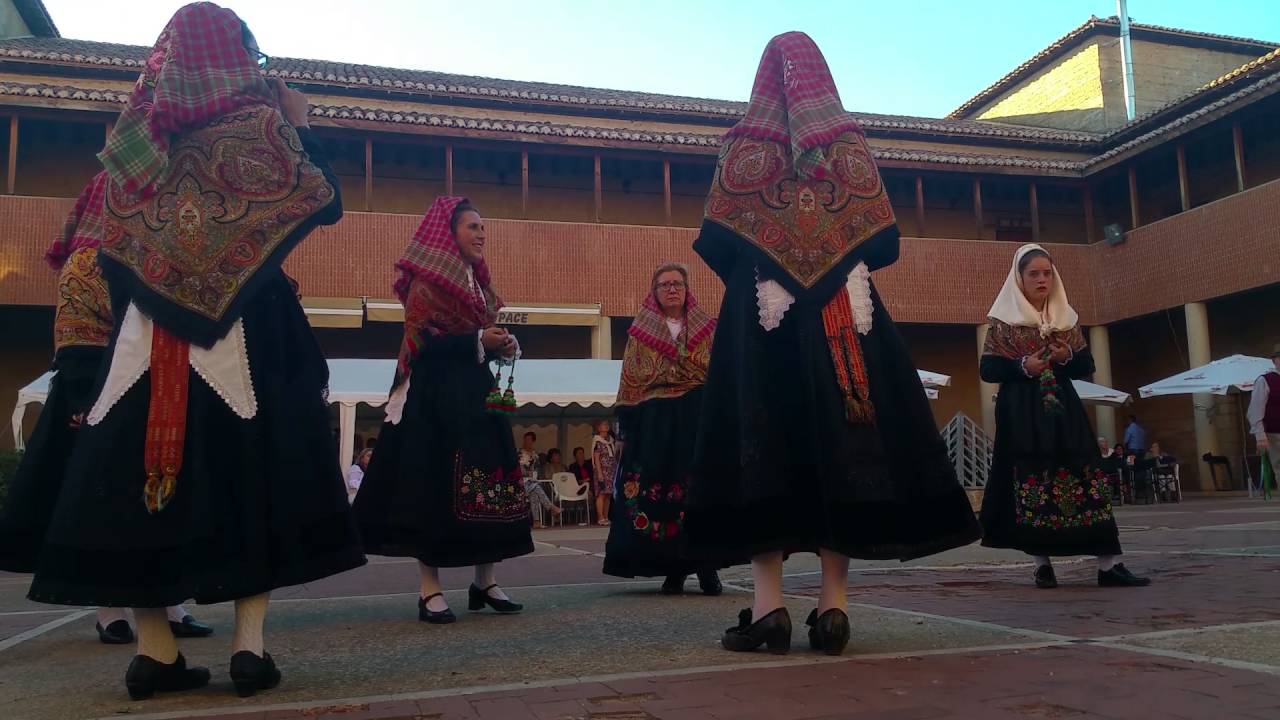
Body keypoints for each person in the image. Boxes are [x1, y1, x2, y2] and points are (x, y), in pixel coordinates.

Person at [22, 3, 365, 700]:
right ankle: (249, 647)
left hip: (144, 336)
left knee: (127, 478)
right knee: (258, 473)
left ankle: (154, 651)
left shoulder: (134, 141)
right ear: (234, 55)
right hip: (250, 325)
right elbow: (323, 200)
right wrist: (299, 120)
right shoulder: (259, 124)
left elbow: (105, 248)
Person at [686, 33, 981, 657]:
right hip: (845, 319)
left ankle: (768, 608)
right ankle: (834, 606)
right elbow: (884, 242)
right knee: (846, 445)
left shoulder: (742, 150)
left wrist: (776, 261)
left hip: (762, 323)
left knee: (763, 446)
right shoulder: (852, 151)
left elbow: (716, 242)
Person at [0, 172, 213, 648]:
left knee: (154, 499)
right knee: (105, 504)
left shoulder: (147, 256)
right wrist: (85, 401)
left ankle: (168, 604)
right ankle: (109, 610)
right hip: (95, 390)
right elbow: (77, 337)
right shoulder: (85, 261)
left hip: (152, 387)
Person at [353, 196, 533, 626]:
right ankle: (429, 589)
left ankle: (485, 581)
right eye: (472, 226)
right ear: (449, 233)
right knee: (432, 487)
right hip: (434, 397)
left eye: (483, 227)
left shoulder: (479, 286)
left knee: (489, 480)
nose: (481, 234)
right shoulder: (427, 283)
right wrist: (477, 341)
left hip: (476, 395)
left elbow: (478, 339)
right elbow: (423, 343)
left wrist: (501, 345)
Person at [978, 244, 1149, 590]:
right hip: (1022, 412)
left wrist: (1066, 355)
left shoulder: (1066, 319)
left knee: (1085, 472)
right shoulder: (1002, 323)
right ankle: (1042, 566)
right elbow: (988, 368)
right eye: (1034, 274)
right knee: (1032, 478)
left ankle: (1109, 565)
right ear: (1019, 278)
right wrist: (1022, 366)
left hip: (1064, 411)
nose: (1042, 279)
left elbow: (1086, 364)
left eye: (1047, 273)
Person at [604, 263, 722, 596]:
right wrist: (624, 434)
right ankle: (673, 569)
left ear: (687, 289)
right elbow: (630, 384)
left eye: (677, 284)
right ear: (654, 292)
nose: (672, 289)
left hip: (696, 417)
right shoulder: (640, 333)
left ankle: (707, 566)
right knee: (661, 491)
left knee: (699, 491)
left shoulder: (708, 328)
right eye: (664, 284)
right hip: (654, 423)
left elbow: (720, 375)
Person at [1247, 344, 1280, 486]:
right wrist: (1260, 436)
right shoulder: (1265, 380)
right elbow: (1255, 410)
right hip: (1276, 434)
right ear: (1274, 360)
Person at [519, 432, 561, 529]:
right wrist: (526, 473)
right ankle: (551, 507)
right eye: (526, 439)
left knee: (534, 492)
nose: (527, 441)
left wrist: (534, 474)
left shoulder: (535, 455)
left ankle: (536, 522)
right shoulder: (519, 453)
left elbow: (537, 469)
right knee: (536, 486)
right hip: (520, 483)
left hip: (531, 482)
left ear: (533, 441)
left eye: (529, 440)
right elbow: (518, 469)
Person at [592, 420, 618, 527]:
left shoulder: (611, 441)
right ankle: (600, 517)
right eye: (604, 424)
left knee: (608, 494)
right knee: (601, 494)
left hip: (611, 470)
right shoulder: (597, 441)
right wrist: (599, 473)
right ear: (598, 428)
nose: (606, 426)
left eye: (607, 424)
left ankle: (606, 516)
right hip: (602, 471)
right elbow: (596, 458)